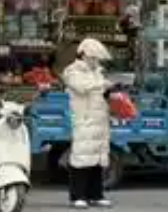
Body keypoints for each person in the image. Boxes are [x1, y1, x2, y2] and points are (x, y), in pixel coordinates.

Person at [64, 38, 114, 209]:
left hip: (100, 121)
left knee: (97, 159)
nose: (95, 61)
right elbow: (81, 87)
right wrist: (103, 84)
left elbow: (99, 92)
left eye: (97, 58)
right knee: (81, 158)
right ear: (84, 55)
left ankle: (96, 195)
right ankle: (77, 196)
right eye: (93, 57)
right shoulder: (73, 71)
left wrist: (109, 90)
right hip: (84, 120)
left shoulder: (97, 72)